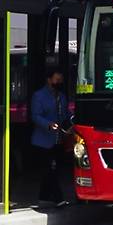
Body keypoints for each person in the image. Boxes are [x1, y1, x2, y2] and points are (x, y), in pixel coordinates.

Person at [31, 68, 72, 207]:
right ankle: (58, 199)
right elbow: (35, 116)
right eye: (57, 79)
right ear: (49, 80)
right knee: (50, 170)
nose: (59, 82)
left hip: (58, 140)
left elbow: (66, 113)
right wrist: (48, 125)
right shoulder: (39, 96)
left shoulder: (61, 96)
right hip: (43, 141)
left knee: (52, 170)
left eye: (61, 80)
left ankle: (43, 197)